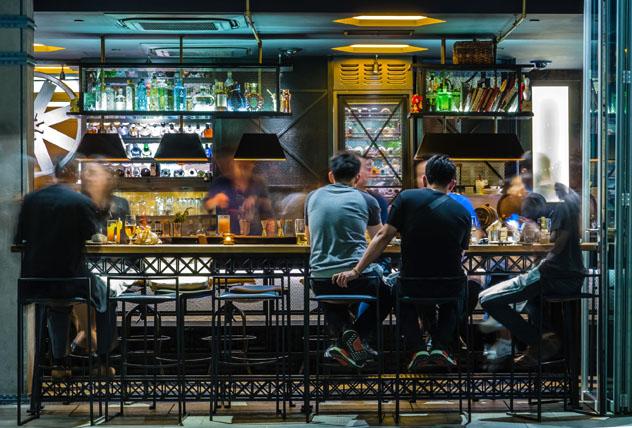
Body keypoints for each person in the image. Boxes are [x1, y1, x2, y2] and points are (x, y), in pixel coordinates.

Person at [334, 155, 471, 369]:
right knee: (457, 293)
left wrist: (356, 270)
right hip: (448, 285)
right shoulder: (462, 212)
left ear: (425, 179)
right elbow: (461, 252)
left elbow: (382, 237)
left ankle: (417, 349)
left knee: (397, 291)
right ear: (452, 183)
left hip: (412, 283)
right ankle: (441, 346)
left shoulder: (406, 198)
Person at [14, 157, 116, 378]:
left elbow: (19, 239)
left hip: (34, 283)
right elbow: (93, 238)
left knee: (58, 304)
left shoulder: (30, 200)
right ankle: (103, 361)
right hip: (71, 279)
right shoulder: (79, 202)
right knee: (107, 294)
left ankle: (59, 364)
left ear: (55, 174)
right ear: (73, 177)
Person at [479, 183, 585, 366]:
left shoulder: (564, 205)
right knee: (529, 300)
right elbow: (557, 244)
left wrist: (536, 240)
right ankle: (540, 340)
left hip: (554, 275)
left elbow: (556, 246)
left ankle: (539, 342)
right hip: (561, 275)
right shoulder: (571, 203)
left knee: (487, 299)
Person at [306, 151, 391, 368]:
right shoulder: (368, 200)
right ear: (356, 178)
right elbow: (378, 239)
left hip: (321, 281)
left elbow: (309, 238)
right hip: (357, 279)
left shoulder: (312, 197)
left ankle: (346, 340)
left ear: (331, 175)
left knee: (326, 288)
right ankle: (358, 338)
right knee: (388, 293)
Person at [205, 147, 274, 236]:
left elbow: (268, 209)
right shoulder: (221, 182)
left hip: (254, 239)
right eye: (241, 165)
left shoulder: (258, 182)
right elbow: (206, 205)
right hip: (226, 239)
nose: (243, 170)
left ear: (252, 165)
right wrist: (215, 200)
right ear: (234, 164)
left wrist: (256, 200)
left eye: (247, 165)